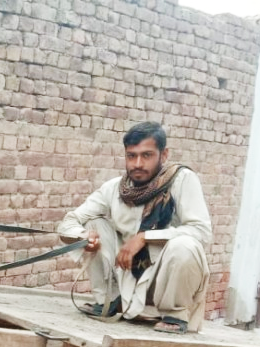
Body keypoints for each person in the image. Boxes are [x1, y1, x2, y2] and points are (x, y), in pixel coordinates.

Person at [56, 121, 212, 334]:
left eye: (146, 155)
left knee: (185, 245)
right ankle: (110, 302)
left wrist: (145, 237)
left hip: (163, 276)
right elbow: (68, 222)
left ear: (163, 155)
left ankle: (174, 316)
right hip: (127, 275)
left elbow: (201, 232)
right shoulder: (114, 188)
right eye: (132, 155)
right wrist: (84, 237)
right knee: (93, 223)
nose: (138, 163)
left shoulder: (182, 180)